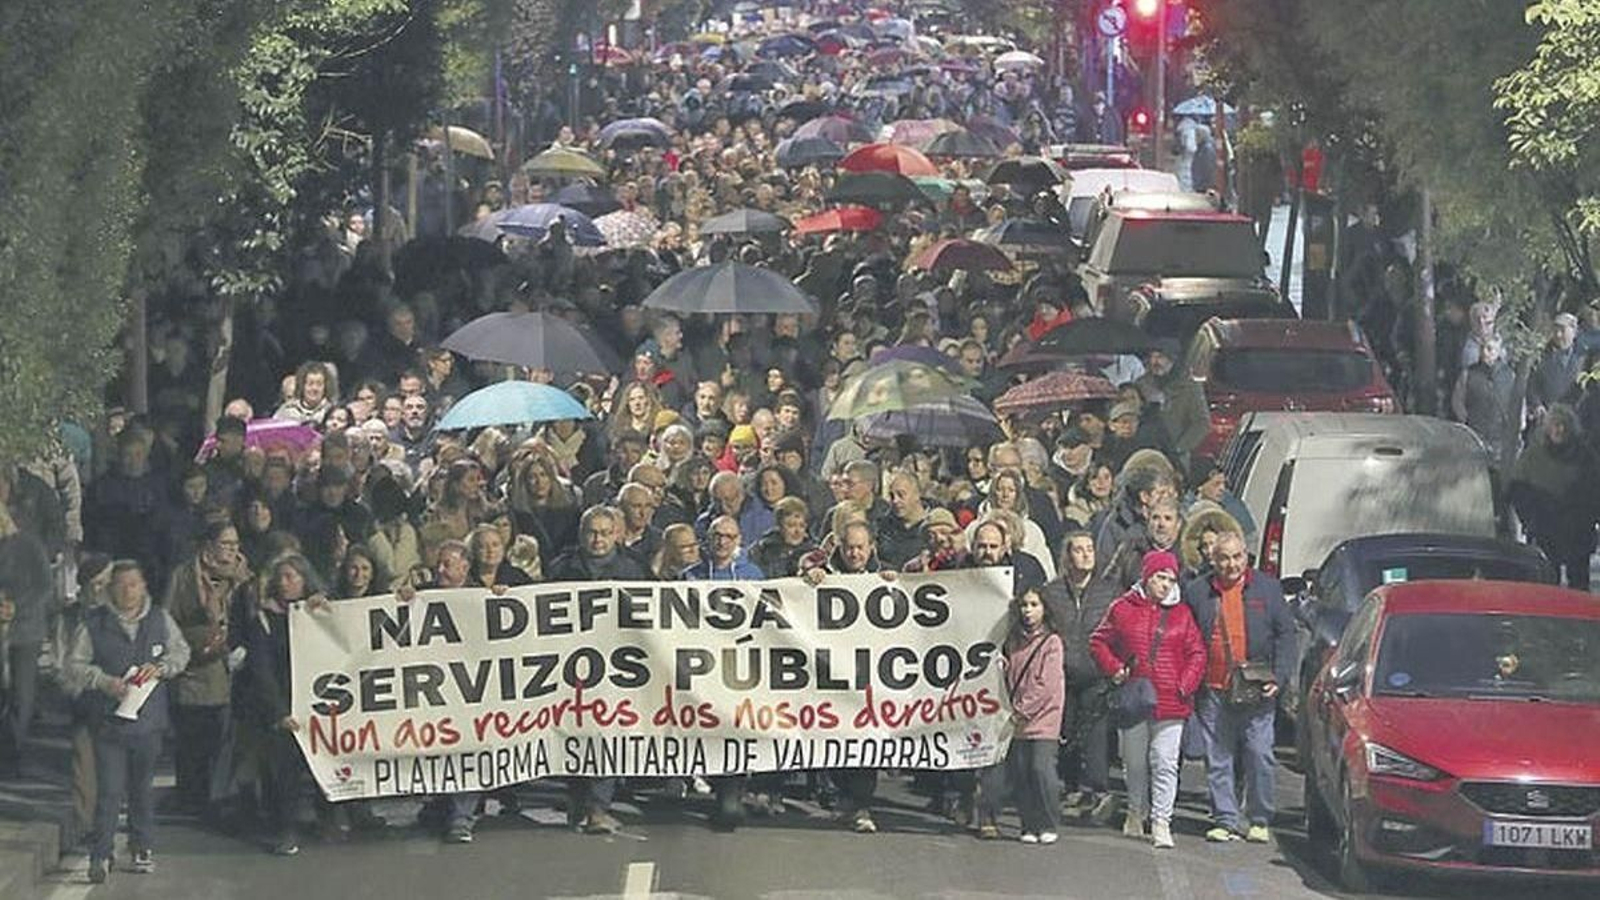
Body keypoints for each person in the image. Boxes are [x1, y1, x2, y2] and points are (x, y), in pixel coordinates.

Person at [62, 560, 191, 883]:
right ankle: (101, 852)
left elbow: (181, 653)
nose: (127, 591)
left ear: (144, 586)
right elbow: (74, 665)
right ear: (110, 589)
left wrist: (160, 668)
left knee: (141, 788)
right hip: (108, 722)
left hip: (149, 721)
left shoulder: (160, 620)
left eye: (133, 584)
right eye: (120, 585)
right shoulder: (94, 623)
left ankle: (142, 844)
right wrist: (104, 681)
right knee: (109, 789)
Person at [1183, 533, 1296, 844]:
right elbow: (1187, 638)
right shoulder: (1196, 592)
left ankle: (1258, 818)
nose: (1231, 564)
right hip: (1213, 690)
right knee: (1217, 757)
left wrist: (1280, 677)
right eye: (1224, 558)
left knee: (1259, 753)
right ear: (1212, 559)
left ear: (1246, 557)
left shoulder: (1268, 589)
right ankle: (1225, 818)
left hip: (1257, 690)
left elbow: (1286, 635)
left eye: (1237, 557)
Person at [1090, 550, 1205, 849]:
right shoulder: (1122, 608)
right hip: (1134, 698)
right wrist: (1115, 670)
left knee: (1165, 761)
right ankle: (1135, 811)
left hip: (1171, 700)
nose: (1165, 584)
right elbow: (1098, 641)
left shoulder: (1182, 613)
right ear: (1146, 576)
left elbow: (1197, 652)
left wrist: (1186, 684)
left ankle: (1161, 820)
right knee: (1135, 762)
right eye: (1160, 577)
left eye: (1170, 579)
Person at [803, 520, 897, 834]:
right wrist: (810, 580)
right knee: (835, 741)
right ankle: (843, 798)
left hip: (869, 678)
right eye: (849, 547)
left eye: (860, 547)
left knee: (865, 742)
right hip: (830, 677)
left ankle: (860, 804)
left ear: (871, 548)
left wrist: (895, 586)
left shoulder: (885, 575)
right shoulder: (824, 575)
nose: (855, 553)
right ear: (839, 547)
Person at [164, 522, 250, 817]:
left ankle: (216, 798)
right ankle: (190, 797)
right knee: (191, 738)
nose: (232, 550)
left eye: (235, 544)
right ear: (209, 545)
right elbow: (168, 619)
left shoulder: (243, 578)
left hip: (228, 666)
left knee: (220, 737)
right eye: (225, 544)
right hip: (193, 665)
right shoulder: (185, 575)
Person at [1041, 532, 1119, 824]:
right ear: (1067, 557)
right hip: (1062, 672)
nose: (1086, 554)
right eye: (1078, 550)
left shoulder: (1108, 592)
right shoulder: (1051, 593)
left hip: (1096, 672)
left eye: (1090, 549)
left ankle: (1097, 789)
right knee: (1067, 731)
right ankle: (1071, 787)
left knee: (1096, 734)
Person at [976, 586, 1064, 844]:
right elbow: (1010, 676)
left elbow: (1046, 685)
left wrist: (1021, 710)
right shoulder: (1013, 640)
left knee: (1041, 768)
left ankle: (1048, 822)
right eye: (1024, 605)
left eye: (1034, 605)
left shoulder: (1052, 642)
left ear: (1044, 608)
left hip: (1043, 717)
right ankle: (1028, 823)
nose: (1028, 611)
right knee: (1022, 772)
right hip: (1015, 718)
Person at [1508, 405, 1600, 590]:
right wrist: (1531, 518)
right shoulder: (1534, 456)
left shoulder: (1585, 457)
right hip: (1546, 530)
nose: (1559, 430)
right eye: (1555, 425)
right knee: (1548, 584)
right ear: (1547, 428)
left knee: (1579, 585)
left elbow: (1594, 490)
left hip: (1577, 533)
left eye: (1564, 426)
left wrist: (1588, 517)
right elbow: (1517, 489)